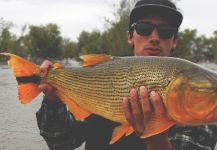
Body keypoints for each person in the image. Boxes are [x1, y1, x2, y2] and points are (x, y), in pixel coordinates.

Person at [36, 0, 217, 150]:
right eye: (145, 28)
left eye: (165, 31)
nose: (154, 37)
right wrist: (53, 99)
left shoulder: (200, 108)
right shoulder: (101, 79)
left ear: (174, 41)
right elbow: (60, 142)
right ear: (130, 36)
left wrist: (156, 142)